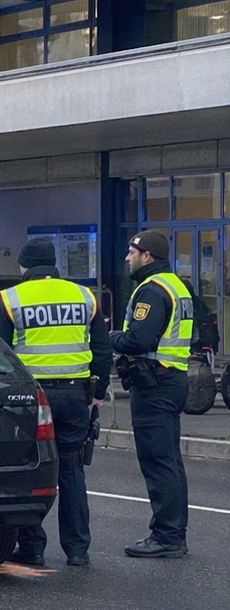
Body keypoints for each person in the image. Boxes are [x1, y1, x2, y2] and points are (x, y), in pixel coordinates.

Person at [0, 238, 112, 567]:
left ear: (23, 265)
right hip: (75, 395)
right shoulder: (84, 296)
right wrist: (98, 393)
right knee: (71, 471)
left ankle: (33, 547)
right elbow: (102, 349)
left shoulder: (11, 298)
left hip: (32, 399)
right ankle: (77, 550)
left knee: (30, 471)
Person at [111, 230, 193, 559]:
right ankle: (174, 532)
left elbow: (138, 340)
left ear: (147, 256)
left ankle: (167, 536)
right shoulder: (176, 285)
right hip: (172, 379)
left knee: (158, 461)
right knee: (170, 460)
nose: (127, 258)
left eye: (131, 252)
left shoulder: (152, 289)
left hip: (154, 383)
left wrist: (109, 336)